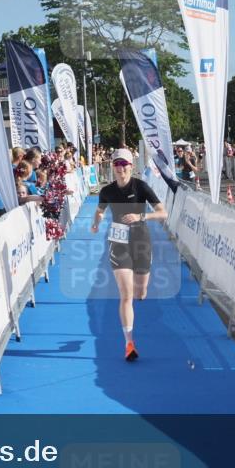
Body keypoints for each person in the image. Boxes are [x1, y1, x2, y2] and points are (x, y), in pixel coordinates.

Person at [91, 149, 168, 362]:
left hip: (141, 242)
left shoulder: (141, 186)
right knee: (125, 295)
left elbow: (163, 213)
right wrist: (96, 222)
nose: (121, 168)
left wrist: (140, 216)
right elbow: (100, 210)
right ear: (112, 167)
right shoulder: (106, 191)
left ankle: (138, 295)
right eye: (117, 164)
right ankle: (129, 343)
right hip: (118, 243)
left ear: (131, 166)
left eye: (124, 163)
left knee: (140, 293)